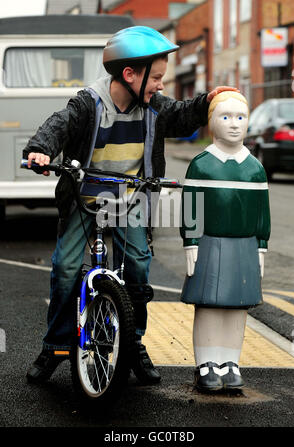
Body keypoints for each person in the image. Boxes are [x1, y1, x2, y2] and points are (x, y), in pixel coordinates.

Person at [23, 25, 237, 385]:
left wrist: (209, 100)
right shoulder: (89, 104)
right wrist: (40, 149)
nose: (160, 86)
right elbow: (58, 125)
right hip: (85, 198)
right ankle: (56, 345)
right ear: (129, 75)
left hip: (127, 199)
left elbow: (183, 115)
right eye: (155, 78)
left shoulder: (153, 108)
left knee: (138, 265)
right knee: (65, 269)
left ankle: (134, 341)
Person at [180, 91, 271, 391]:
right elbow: (191, 205)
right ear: (211, 122)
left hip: (245, 245)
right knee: (208, 305)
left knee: (237, 306)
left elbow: (262, 211)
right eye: (225, 117)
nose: (234, 124)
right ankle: (205, 362)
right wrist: (191, 240)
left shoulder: (254, 169)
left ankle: (230, 361)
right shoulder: (202, 165)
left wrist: (261, 244)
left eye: (241, 117)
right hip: (209, 243)